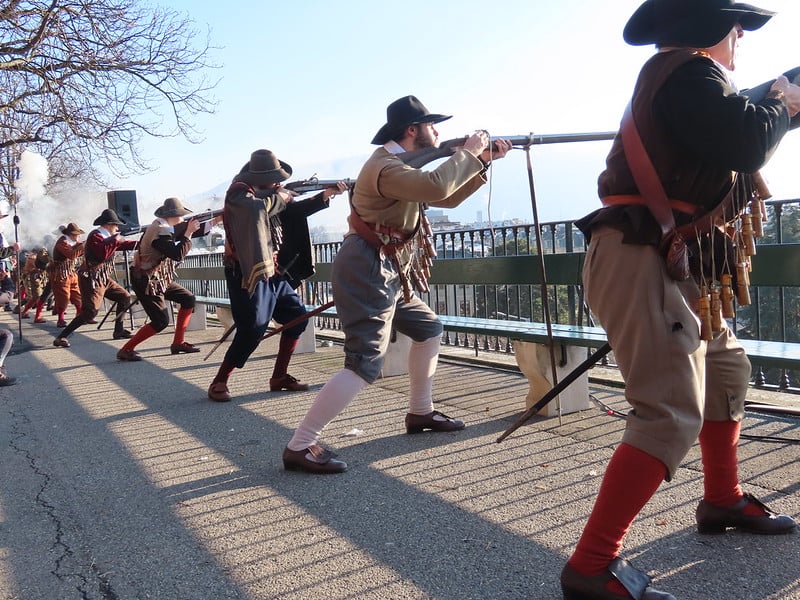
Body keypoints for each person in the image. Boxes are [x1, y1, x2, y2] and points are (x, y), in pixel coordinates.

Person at [563, 2, 800, 599]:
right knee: (669, 410)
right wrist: (782, 103)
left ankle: (720, 500)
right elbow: (746, 139)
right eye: (736, 24)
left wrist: (781, 101)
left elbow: (739, 122)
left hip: (667, 255)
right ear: (711, 27)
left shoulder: (686, 80)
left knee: (724, 369)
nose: (741, 35)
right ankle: (591, 568)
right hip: (641, 254)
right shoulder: (690, 73)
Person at [282, 95, 512, 474]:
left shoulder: (393, 164)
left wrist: (481, 160)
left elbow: (446, 197)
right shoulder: (386, 167)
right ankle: (300, 444)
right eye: (432, 126)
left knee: (428, 328)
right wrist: (470, 153)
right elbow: (438, 187)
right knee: (364, 362)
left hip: (384, 265)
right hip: (370, 265)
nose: (437, 133)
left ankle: (420, 412)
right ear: (412, 130)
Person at [206, 150, 348, 402]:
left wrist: (324, 196)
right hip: (246, 271)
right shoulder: (238, 192)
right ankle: (220, 381)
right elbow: (256, 211)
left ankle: (280, 376)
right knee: (253, 328)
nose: (278, 183)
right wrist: (280, 197)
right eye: (274, 179)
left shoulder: (268, 195)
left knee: (297, 316)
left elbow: (290, 212)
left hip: (271, 269)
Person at [116, 197, 202, 361]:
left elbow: (173, 242)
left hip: (156, 278)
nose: (183, 218)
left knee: (188, 299)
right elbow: (177, 254)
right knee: (160, 321)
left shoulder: (161, 226)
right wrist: (189, 233)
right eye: (181, 215)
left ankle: (178, 342)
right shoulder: (160, 230)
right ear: (174, 215)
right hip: (147, 280)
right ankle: (126, 349)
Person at [53, 208, 137, 348]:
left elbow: (123, 245)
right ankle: (61, 337)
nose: (117, 228)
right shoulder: (95, 236)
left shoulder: (106, 237)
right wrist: (116, 240)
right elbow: (102, 254)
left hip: (101, 277)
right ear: (109, 224)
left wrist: (144, 243)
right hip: (91, 278)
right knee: (90, 312)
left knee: (124, 296)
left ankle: (119, 330)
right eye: (116, 225)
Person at [49, 222, 85, 328]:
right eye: (76, 234)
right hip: (60, 274)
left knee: (77, 295)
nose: (78, 236)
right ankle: (60, 319)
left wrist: (83, 246)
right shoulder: (62, 242)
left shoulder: (71, 243)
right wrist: (82, 246)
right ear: (71, 234)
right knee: (63, 297)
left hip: (70, 272)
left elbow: (78, 252)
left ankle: (80, 315)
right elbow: (72, 255)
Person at [19, 248, 50, 323]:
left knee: (36, 297)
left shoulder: (35, 257)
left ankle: (24, 312)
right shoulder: (32, 258)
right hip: (34, 277)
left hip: (40, 277)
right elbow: (43, 264)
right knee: (38, 296)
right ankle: (36, 316)